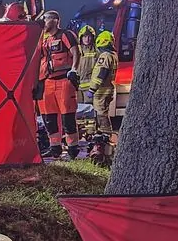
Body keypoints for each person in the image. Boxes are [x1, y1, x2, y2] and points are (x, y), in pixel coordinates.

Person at [36, 10, 81, 159]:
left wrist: (74, 69)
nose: (43, 22)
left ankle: (73, 148)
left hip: (64, 81)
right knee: (49, 117)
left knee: (67, 116)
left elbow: (76, 52)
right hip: (47, 82)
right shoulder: (44, 39)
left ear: (55, 20)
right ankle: (54, 147)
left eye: (46, 19)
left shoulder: (66, 35)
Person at [83, 30, 119, 135]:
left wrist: (92, 89)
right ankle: (103, 135)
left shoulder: (105, 56)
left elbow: (101, 73)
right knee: (103, 113)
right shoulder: (113, 55)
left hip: (101, 91)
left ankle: (105, 135)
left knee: (101, 114)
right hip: (108, 88)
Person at [76, 25, 98, 102]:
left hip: (89, 88)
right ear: (81, 37)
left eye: (89, 37)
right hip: (77, 87)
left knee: (89, 110)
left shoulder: (96, 51)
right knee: (78, 110)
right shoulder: (77, 50)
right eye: (85, 37)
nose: (87, 39)